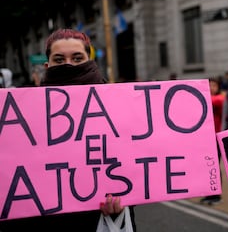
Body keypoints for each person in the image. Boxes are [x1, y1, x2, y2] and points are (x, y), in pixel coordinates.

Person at [0, 29, 136, 231]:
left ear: (90, 62)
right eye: (59, 59)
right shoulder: (22, 113)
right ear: (48, 66)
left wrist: (117, 210)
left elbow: (127, 166)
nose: (68, 65)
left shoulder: (114, 109)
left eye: (77, 57)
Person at [200, 77, 225, 205]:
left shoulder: (220, 99)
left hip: (216, 137)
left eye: (214, 85)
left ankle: (216, 194)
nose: (211, 88)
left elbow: (216, 101)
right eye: (209, 85)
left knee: (214, 166)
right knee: (205, 165)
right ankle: (209, 193)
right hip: (204, 138)